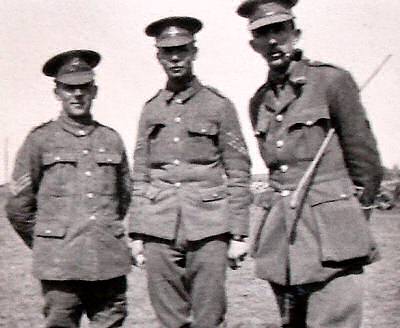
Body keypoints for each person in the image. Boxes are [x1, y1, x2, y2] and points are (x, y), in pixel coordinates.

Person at [237, 1, 383, 327]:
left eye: (280, 30)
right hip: (283, 242)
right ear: (254, 44)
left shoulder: (331, 81)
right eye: (263, 33)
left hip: (334, 238)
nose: (272, 40)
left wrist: (349, 218)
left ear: (295, 33)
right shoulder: (259, 102)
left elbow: (366, 162)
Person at [128, 16, 252, 328]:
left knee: (209, 317)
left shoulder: (218, 105)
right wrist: (137, 233)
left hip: (209, 226)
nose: (175, 58)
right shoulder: (151, 109)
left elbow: (238, 170)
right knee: (169, 318)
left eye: (181, 50)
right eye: (167, 52)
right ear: (158, 57)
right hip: (158, 227)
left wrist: (238, 233)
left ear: (194, 52)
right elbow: (140, 173)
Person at [6, 50, 132, 328]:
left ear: (94, 90)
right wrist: (49, 241)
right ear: (57, 92)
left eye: (83, 87)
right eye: (69, 88)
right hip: (60, 268)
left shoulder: (111, 140)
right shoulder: (40, 140)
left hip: (107, 262)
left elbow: (123, 198)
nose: (77, 94)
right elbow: (18, 206)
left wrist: (103, 232)